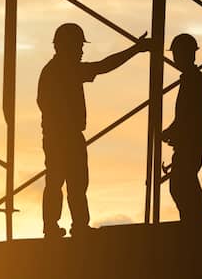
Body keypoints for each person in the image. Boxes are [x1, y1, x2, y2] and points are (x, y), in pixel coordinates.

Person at [37, 23, 150, 239]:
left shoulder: (57, 70)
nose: (81, 51)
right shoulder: (62, 70)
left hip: (63, 137)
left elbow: (100, 66)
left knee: (72, 182)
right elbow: (103, 66)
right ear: (65, 46)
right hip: (63, 137)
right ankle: (60, 226)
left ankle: (66, 225)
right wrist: (135, 49)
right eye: (78, 46)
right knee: (63, 181)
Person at [159, 33, 202, 221]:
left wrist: (171, 132)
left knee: (182, 185)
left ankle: (194, 223)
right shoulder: (192, 79)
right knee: (183, 185)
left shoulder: (194, 80)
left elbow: (188, 116)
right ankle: (193, 221)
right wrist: (171, 132)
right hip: (189, 144)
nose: (175, 59)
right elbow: (184, 116)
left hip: (190, 145)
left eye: (178, 54)